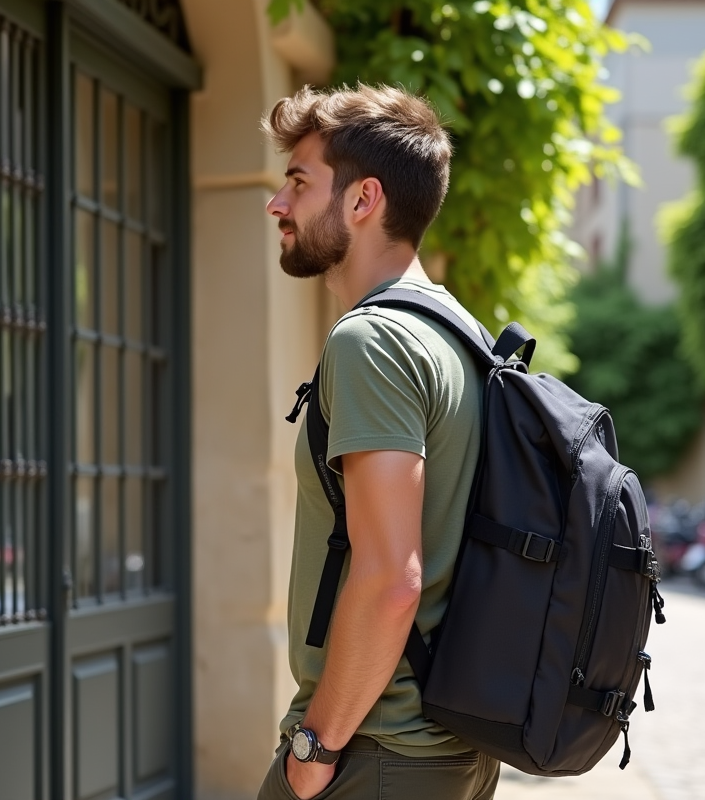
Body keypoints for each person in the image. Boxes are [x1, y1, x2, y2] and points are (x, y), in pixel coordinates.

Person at [255, 84, 499, 800]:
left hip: (377, 752)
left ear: (363, 201)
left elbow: (394, 576)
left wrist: (314, 745)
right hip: (448, 748)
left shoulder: (375, 342)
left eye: (299, 182)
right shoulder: (460, 335)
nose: (277, 203)